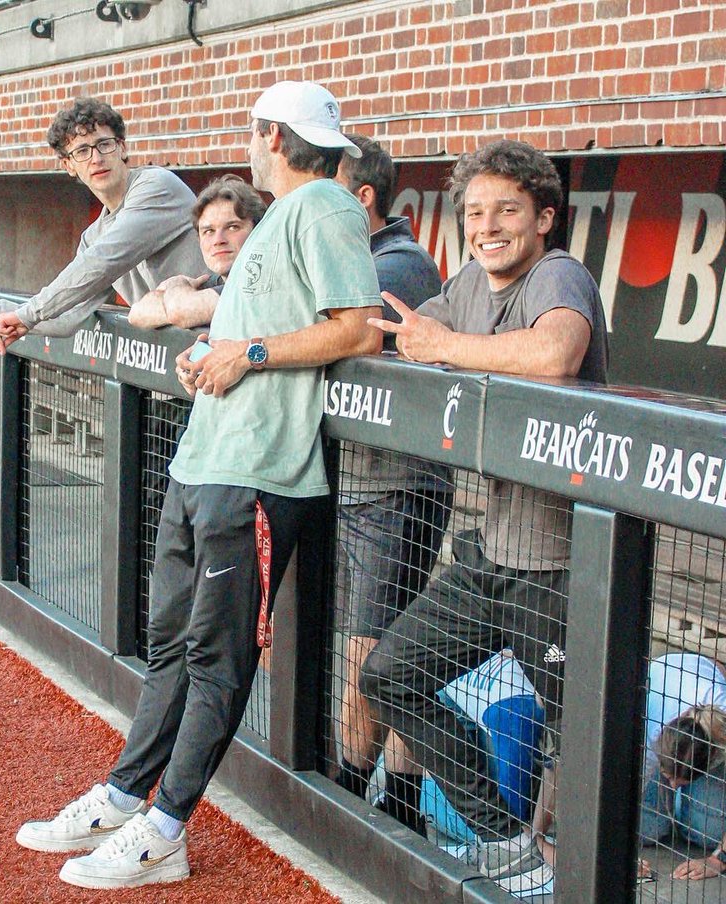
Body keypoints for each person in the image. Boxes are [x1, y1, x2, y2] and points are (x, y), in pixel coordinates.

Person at [14, 81, 382, 889]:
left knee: (215, 661)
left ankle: (167, 827)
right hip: (205, 459)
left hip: (257, 472)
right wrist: (212, 349)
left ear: (273, 138)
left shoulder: (323, 205)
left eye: (255, 133)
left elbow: (356, 325)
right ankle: (121, 796)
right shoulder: (283, 216)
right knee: (171, 649)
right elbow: (252, 326)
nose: (249, 145)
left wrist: (244, 355)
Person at [359, 139, 609, 895]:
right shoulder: (468, 279)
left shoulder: (558, 272)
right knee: (389, 677)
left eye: (506, 210)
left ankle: (570, 867)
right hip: (490, 554)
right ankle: (508, 842)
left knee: (581, 733)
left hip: (566, 561)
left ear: (544, 217)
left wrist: (446, 346)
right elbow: (390, 332)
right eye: (474, 212)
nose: (488, 225)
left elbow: (557, 352)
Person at [329, 134, 451, 835]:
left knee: (370, 651)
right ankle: (400, 804)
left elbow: (334, 333)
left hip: (398, 486)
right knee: (385, 649)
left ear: (363, 197)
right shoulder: (359, 255)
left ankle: (353, 793)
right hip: (360, 483)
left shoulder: (398, 263)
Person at [0, 97, 207, 349]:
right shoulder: (93, 237)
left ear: (122, 147)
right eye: (82, 151)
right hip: (180, 366)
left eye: (104, 144)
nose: (96, 158)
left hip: (223, 343)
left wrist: (27, 314)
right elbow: (67, 316)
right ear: (68, 165)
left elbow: (106, 260)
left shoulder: (156, 185)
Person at [127, 174, 266, 330]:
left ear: (258, 231)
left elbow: (180, 312)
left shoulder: (263, 283)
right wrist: (179, 301)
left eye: (233, 227)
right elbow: (136, 314)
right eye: (208, 231)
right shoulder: (211, 283)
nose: (218, 240)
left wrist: (177, 285)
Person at [638, 653, 726, 881]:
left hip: (712, 726)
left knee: (706, 834)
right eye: (669, 776)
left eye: (683, 782)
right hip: (665, 678)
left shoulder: (723, 725)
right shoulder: (653, 731)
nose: (674, 785)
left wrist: (719, 859)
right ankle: (679, 804)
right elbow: (624, 795)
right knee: (647, 831)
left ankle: (688, 807)